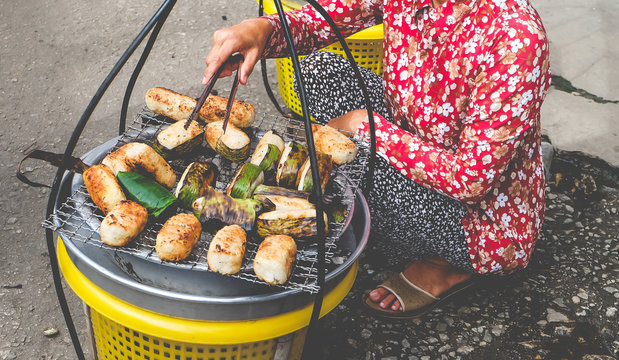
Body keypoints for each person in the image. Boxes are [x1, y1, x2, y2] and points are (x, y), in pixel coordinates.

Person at [203, 0, 551, 318]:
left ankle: (444, 263)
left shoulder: (516, 38)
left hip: (478, 216)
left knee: (353, 161)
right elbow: (322, 20)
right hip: (411, 132)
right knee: (318, 70)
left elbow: (471, 178)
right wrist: (262, 29)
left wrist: (365, 128)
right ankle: (376, 222)